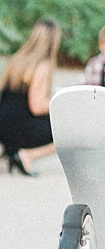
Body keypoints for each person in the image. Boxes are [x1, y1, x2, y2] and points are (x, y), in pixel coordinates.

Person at [0, 18, 61, 175]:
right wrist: (59, 100)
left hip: (4, 125)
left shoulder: (19, 58)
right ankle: (26, 155)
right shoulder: (43, 65)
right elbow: (37, 106)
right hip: (19, 128)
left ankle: (9, 151)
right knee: (68, 128)